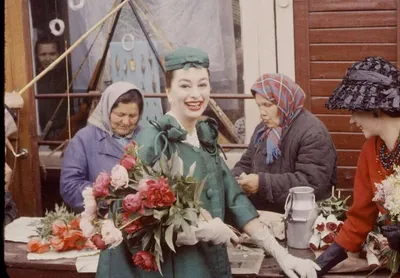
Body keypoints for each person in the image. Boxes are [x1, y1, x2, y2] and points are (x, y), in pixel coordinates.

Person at [96, 47, 320, 278]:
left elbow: (235, 202)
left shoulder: (203, 139)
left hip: (205, 263)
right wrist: (202, 231)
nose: (196, 94)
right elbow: (131, 216)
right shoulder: (154, 141)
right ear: (168, 91)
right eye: (185, 85)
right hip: (171, 269)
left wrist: (283, 255)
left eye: (202, 85)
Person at [314, 56, 400, 276]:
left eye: (354, 110)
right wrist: (319, 266)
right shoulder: (371, 151)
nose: (351, 121)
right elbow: (360, 218)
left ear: (374, 108)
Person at [231, 73, 336, 213]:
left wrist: (261, 183)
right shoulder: (263, 129)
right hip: (264, 213)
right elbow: (246, 162)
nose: (262, 112)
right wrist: (235, 178)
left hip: (300, 218)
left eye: (267, 105)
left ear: (284, 102)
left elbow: (310, 183)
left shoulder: (313, 132)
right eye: (259, 105)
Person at [60, 82, 144, 213]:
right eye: (120, 115)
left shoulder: (147, 138)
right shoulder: (84, 139)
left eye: (133, 116)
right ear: (106, 110)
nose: (126, 122)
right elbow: (69, 187)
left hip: (139, 219)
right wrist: (107, 194)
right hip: (98, 220)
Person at [34, 37, 69, 140]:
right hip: (40, 133)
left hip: (64, 132)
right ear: (36, 56)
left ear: (59, 54)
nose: (48, 59)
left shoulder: (67, 74)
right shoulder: (33, 77)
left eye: (52, 54)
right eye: (43, 55)